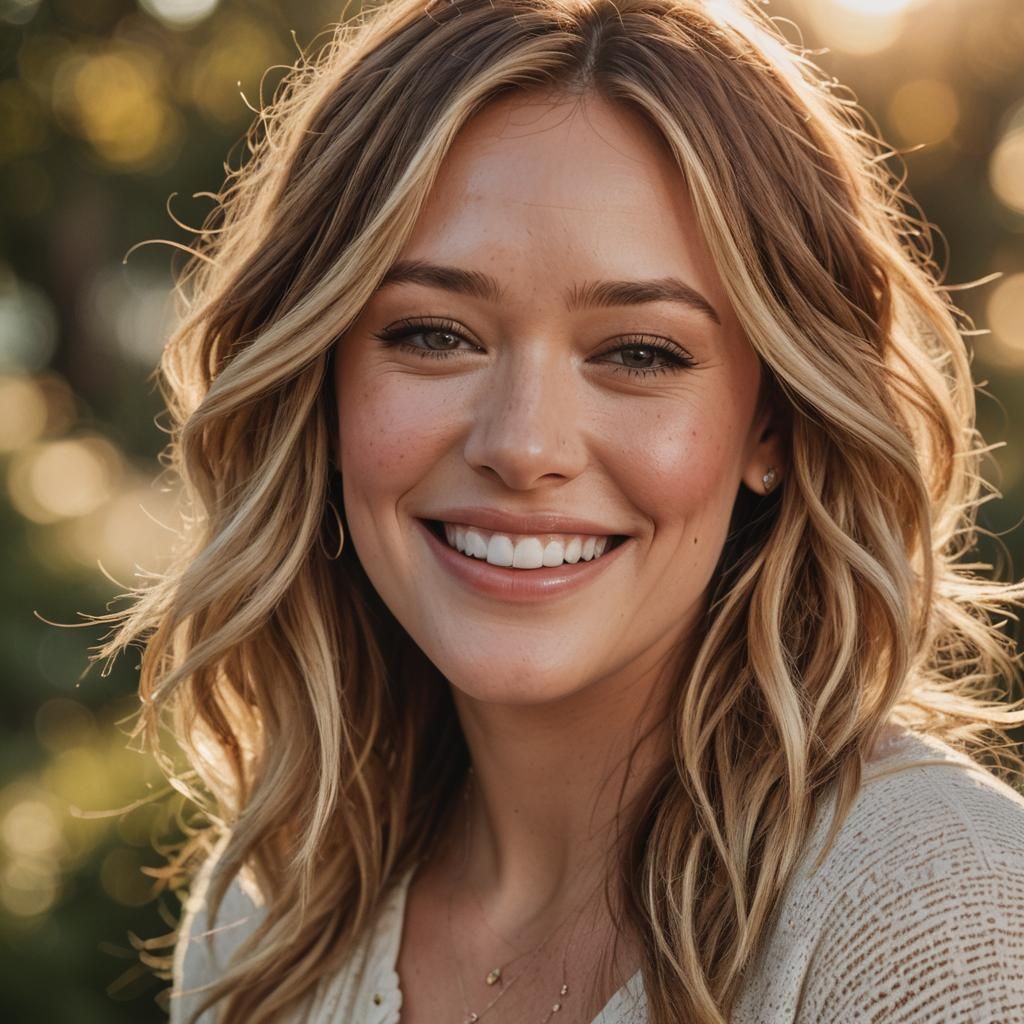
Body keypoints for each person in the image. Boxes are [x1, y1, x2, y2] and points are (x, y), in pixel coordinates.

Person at [98, 0, 1024, 1021]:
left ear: (772, 425)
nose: (523, 445)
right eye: (434, 334)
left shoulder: (939, 907)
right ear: (317, 381)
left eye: (639, 352)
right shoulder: (267, 914)